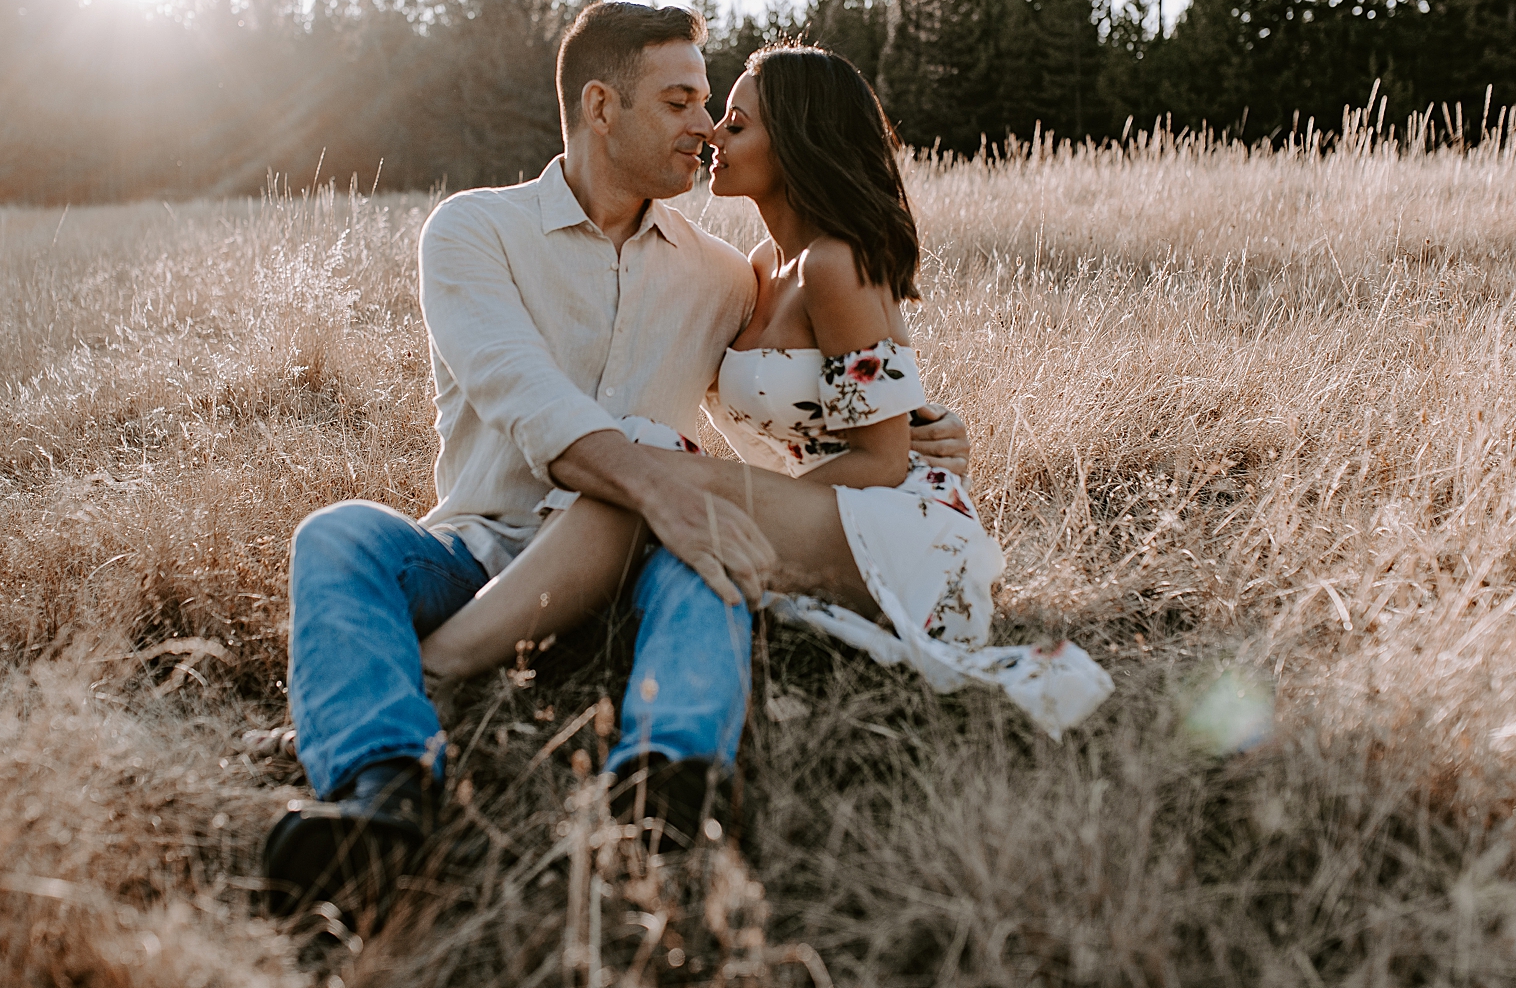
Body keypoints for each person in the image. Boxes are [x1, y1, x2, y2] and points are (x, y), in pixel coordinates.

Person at [262, 5, 970, 926]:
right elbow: (529, 400)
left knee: (703, 547)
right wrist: (662, 484)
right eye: (680, 101)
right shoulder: (474, 232)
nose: (705, 127)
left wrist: (924, 425)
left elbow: (811, 365)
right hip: (485, 550)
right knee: (338, 536)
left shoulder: (726, 274)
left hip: (646, 558)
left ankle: (668, 787)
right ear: (601, 105)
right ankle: (381, 795)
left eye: (714, 105)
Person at [420, 44, 1112, 750]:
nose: (713, 133)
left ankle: (437, 665)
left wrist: (734, 487)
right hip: (820, 514)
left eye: (737, 123)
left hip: (901, 533)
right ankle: (474, 642)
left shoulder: (836, 264)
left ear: (796, 144)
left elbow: (880, 458)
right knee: (646, 470)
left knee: (649, 468)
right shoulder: (755, 271)